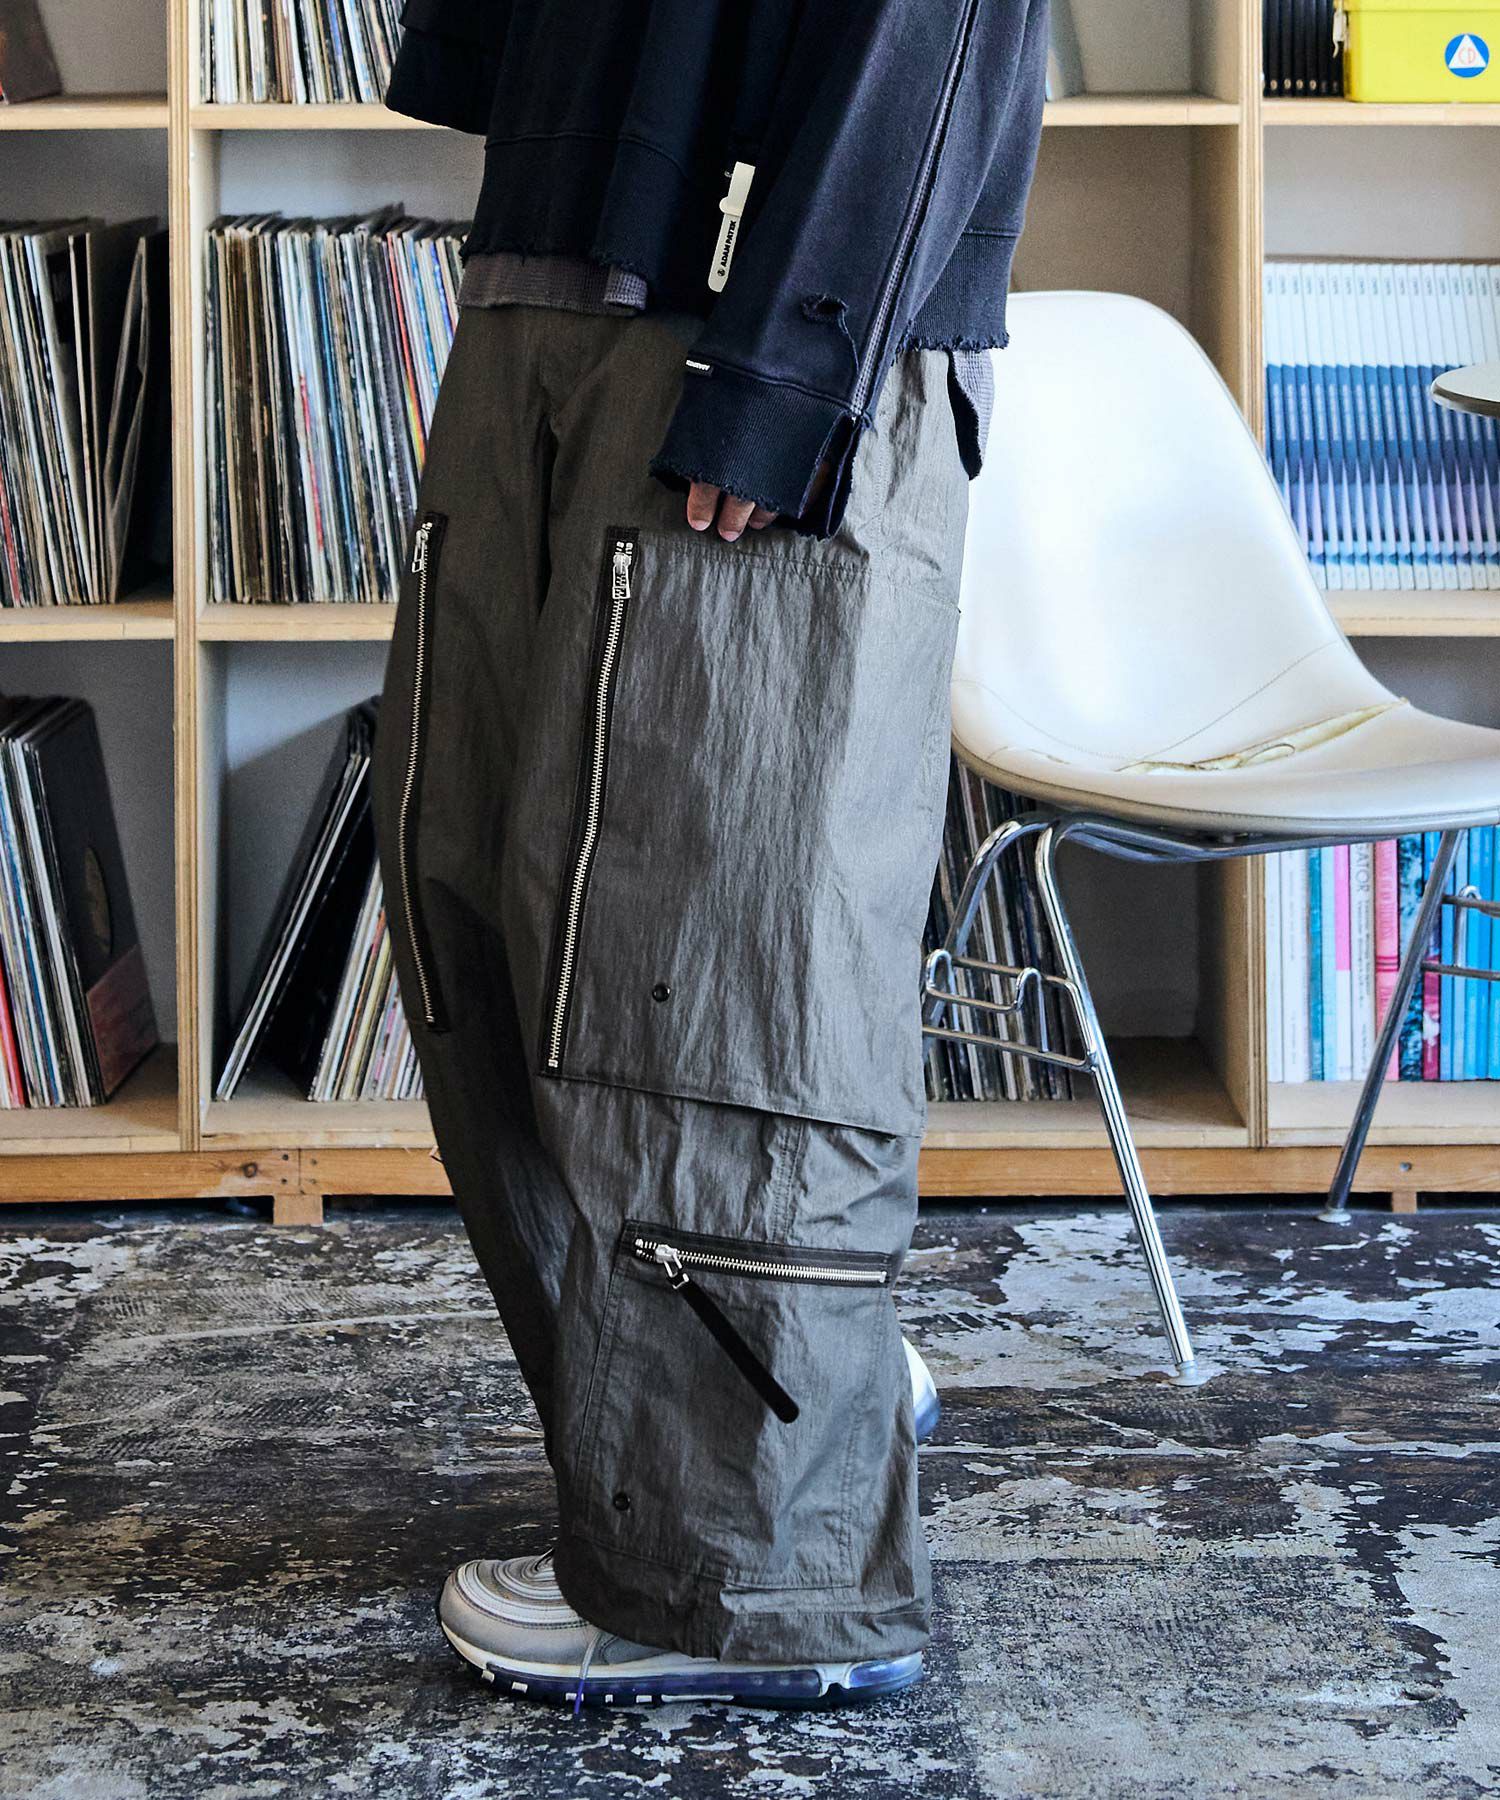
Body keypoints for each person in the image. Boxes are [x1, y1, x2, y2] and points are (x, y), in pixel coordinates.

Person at [371, 0, 1047, 1711]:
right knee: (475, 912)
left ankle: (756, 1572)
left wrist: (793, 364)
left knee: (707, 960)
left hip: (761, 308)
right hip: (554, 257)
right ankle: (765, 1411)